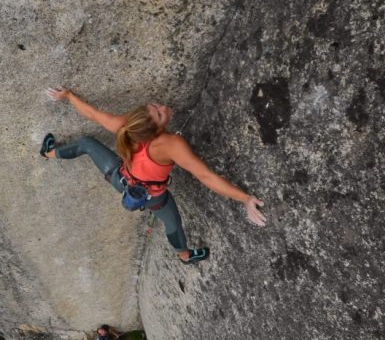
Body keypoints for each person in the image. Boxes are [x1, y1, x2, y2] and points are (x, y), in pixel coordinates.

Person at [41, 87, 266, 263]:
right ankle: (185, 256)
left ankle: (49, 153)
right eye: (159, 112)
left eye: (157, 106)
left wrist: (68, 96)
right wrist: (244, 199)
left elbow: (93, 115)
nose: (163, 107)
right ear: (155, 130)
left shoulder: (130, 127)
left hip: (120, 179)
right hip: (153, 196)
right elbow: (205, 176)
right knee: (173, 223)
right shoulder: (170, 144)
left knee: (87, 144)